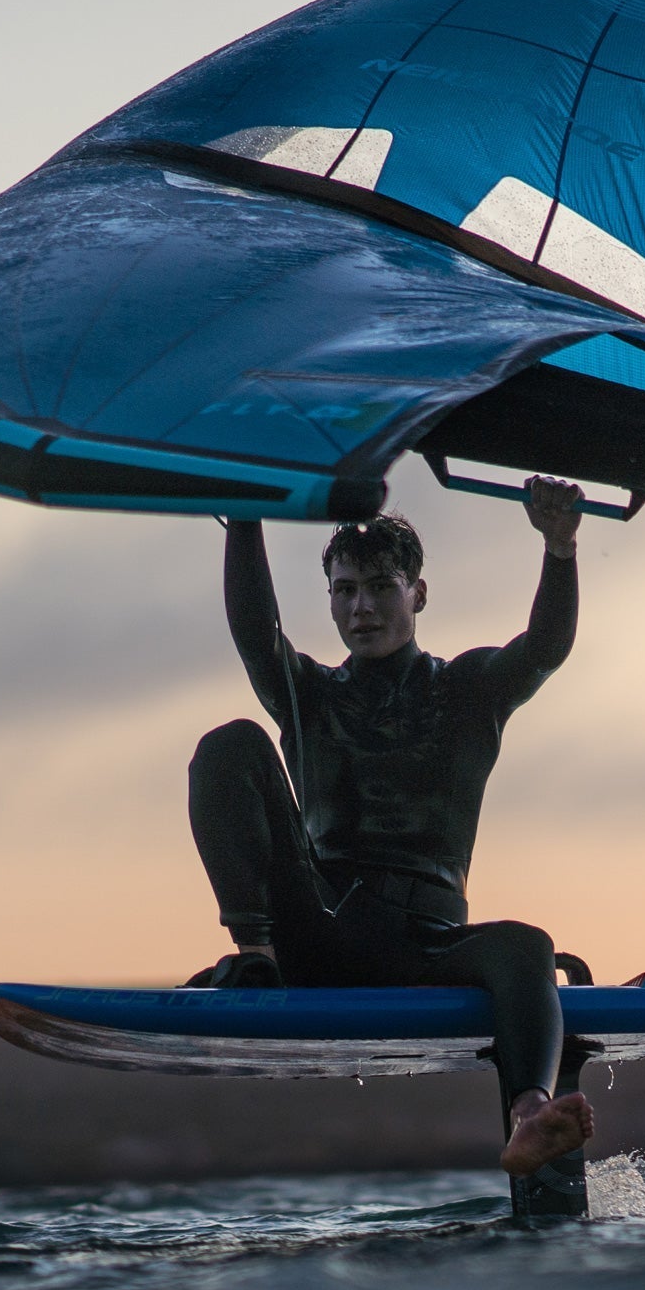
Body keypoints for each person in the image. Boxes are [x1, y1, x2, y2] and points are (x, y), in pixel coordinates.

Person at [186, 477, 596, 1179]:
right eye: (345, 591)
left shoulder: (468, 690)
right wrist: (246, 517)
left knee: (526, 946)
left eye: (381, 588)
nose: (362, 607)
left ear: (418, 594)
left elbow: (544, 649)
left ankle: (531, 1116)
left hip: (426, 943)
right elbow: (256, 635)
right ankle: (255, 956)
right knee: (230, 744)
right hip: (316, 929)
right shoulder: (309, 695)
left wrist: (560, 549)